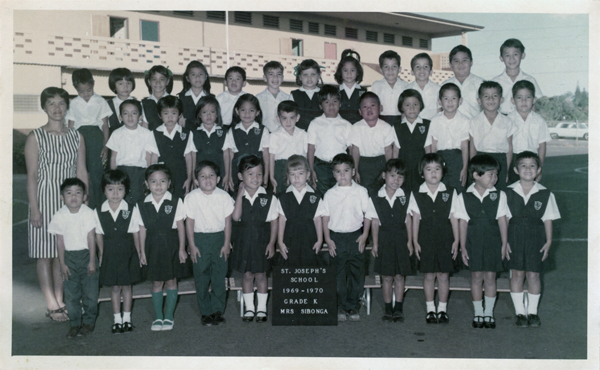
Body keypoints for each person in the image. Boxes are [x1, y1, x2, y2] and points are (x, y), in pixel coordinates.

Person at [25, 87, 88, 322]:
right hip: (44, 200)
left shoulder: (76, 136)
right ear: (44, 107)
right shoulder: (35, 136)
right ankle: (51, 303)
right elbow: (31, 175)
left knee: (64, 253)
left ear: (67, 106)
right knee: (45, 253)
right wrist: (34, 208)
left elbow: (81, 170)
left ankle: (61, 299)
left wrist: (84, 199)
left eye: (61, 103)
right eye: (51, 103)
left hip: (70, 202)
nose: (57, 108)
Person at [505, 151, 560, 327]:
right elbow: (504, 219)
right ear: (515, 169)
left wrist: (549, 241)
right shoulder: (507, 192)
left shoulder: (545, 194)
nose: (528, 169)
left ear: (538, 170)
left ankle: (532, 312)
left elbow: (548, 219)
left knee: (534, 275)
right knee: (517, 274)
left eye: (532, 166)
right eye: (523, 165)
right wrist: (504, 242)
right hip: (514, 237)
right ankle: (520, 312)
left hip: (536, 238)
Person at [455, 154, 509, 329]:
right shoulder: (464, 196)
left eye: (496, 174)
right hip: (473, 240)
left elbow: (502, 220)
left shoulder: (500, 195)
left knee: (491, 277)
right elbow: (462, 222)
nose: (495, 178)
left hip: (493, 239)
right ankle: (478, 312)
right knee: (476, 277)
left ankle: (489, 313)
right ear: (476, 175)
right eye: (490, 174)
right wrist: (462, 246)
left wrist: (504, 243)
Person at [133, 164, 188, 331]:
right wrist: (141, 252)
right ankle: (158, 316)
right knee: (156, 282)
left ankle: (169, 315)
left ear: (169, 182)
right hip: (152, 246)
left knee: (171, 280)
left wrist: (181, 249)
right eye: (154, 181)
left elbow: (180, 227)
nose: (158, 185)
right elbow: (141, 230)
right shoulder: (141, 204)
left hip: (171, 245)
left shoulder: (176, 201)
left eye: (163, 181)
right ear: (146, 184)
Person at [408, 153, 459, 324]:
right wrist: (415, 241)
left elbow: (454, 218)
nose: (434, 173)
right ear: (422, 173)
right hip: (425, 238)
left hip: (446, 237)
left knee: (444, 275)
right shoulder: (416, 193)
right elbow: (415, 219)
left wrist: (457, 240)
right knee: (429, 275)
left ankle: (442, 309)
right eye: (429, 169)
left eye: (437, 169)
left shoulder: (451, 192)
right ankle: (430, 309)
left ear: (443, 171)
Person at [184, 161, 234, 327]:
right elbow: (189, 222)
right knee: (201, 276)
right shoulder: (191, 197)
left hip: (219, 238)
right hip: (200, 239)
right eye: (203, 176)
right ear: (196, 181)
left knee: (219, 275)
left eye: (211, 175)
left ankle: (218, 310)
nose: (207, 179)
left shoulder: (224, 196)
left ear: (218, 178)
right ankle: (205, 312)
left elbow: (228, 222)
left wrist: (227, 243)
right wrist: (191, 245)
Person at [48, 178, 98, 338]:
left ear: (84, 196)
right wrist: (62, 263)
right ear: (62, 197)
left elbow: (91, 238)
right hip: (69, 258)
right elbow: (60, 241)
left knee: (90, 293)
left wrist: (92, 260)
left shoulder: (89, 213)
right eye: (69, 193)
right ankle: (75, 324)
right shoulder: (59, 215)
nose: (74, 196)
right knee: (71, 294)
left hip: (86, 255)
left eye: (78, 192)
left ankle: (89, 322)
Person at [322, 154, 370, 322]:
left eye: (346, 171)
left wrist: (365, 235)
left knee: (357, 273)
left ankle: (353, 305)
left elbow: (368, 215)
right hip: (336, 238)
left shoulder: (361, 191)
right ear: (333, 174)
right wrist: (327, 238)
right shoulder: (329, 194)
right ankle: (341, 306)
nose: (342, 175)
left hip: (356, 237)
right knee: (338, 274)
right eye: (338, 171)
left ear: (353, 171)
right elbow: (325, 217)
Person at [232, 155, 279, 322]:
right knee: (247, 275)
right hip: (244, 240)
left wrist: (272, 243)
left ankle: (261, 308)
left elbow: (274, 221)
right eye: (250, 174)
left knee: (261, 274)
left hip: (262, 240)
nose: (255, 178)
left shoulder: (269, 196)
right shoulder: (238, 196)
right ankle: (250, 308)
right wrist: (239, 195)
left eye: (259, 174)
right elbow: (236, 217)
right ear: (240, 177)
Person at [94, 170, 142, 334]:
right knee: (115, 288)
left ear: (126, 190)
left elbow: (135, 232)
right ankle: (117, 320)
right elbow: (98, 234)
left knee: (127, 287)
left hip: (127, 253)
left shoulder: (131, 209)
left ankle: (127, 319)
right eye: (110, 189)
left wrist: (139, 253)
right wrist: (101, 253)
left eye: (120, 189)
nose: (115, 193)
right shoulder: (98, 211)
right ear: (104, 190)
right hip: (110, 254)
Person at [365, 159, 413, 322]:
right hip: (385, 238)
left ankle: (398, 308)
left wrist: (410, 242)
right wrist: (375, 243)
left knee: (399, 276)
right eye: (392, 175)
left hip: (401, 237)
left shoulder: (405, 196)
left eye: (400, 176)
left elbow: (409, 220)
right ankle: (387, 309)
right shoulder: (376, 197)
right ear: (384, 176)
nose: (396, 180)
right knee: (386, 276)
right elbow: (375, 221)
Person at [66, 68, 112, 209]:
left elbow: (105, 125)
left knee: (97, 173)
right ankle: (81, 204)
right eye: (81, 91)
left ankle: (99, 206)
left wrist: (105, 145)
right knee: (80, 171)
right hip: (79, 137)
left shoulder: (100, 101)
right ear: (75, 89)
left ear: (93, 84)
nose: (86, 94)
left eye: (89, 90)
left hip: (95, 138)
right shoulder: (73, 103)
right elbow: (71, 125)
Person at [277, 155, 325, 267]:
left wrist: (320, 240)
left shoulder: (315, 196)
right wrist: (280, 241)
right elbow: (282, 220)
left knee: (310, 267)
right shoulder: (283, 197)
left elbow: (318, 219)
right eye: (293, 174)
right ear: (288, 176)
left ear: (308, 174)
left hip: (310, 238)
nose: (297, 178)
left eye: (300, 173)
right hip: (290, 238)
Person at [469, 81, 518, 190]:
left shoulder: (507, 121)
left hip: (500, 161)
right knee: (480, 191)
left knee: (499, 192)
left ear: (501, 100)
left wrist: (506, 170)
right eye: (486, 96)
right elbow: (472, 148)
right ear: (479, 101)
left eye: (495, 96)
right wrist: (474, 168)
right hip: (481, 161)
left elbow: (509, 148)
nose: (491, 99)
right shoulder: (474, 122)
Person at [306, 85, 352, 195]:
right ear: (320, 106)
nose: (331, 105)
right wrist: (311, 170)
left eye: (335, 101)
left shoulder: (346, 125)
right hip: (320, 167)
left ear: (340, 104)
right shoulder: (315, 123)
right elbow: (311, 149)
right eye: (326, 102)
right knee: (322, 195)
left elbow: (351, 149)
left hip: (340, 167)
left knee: (340, 193)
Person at [146, 95, 194, 199]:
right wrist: (152, 178)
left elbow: (189, 157)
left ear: (180, 114)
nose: (170, 117)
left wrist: (189, 178)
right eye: (166, 113)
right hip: (162, 176)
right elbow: (153, 158)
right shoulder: (155, 133)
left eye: (174, 113)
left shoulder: (186, 133)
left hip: (180, 174)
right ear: (160, 115)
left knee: (180, 201)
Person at [106, 99, 153, 204]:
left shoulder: (147, 133)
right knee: (123, 199)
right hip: (122, 171)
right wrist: (114, 176)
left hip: (141, 172)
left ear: (140, 117)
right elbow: (113, 157)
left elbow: (148, 156)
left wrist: (149, 175)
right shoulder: (116, 133)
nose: (130, 117)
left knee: (140, 198)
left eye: (134, 113)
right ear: (120, 117)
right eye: (126, 114)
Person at [425, 83, 470, 193]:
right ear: (440, 102)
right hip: (440, 158)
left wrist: (465, 168)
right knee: (441, 189)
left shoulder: (465, 120)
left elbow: (465, 146)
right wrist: (433, 166)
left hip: (457, 159)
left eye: (454, 98)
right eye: (446, 98)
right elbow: (433, 145)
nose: (450, 102)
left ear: (460, 101)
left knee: (458, 188)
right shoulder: (435, 120)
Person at [507, 80, 552, 184]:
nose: (524, 101)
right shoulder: (508, 120)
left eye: (528, 97)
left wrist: (539, 167)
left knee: (530, 190)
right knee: (512, 191)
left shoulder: (539, 120)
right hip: (513, 159)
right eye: (519, 97)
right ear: (512, 100)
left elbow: (542, 145)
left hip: (532, 160)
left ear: (534, 100)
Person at [223, 94, 270, 191]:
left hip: (256, 173)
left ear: (257, 112)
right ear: (237, 111)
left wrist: (266, 175)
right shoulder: (232, 130)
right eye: (243, 110)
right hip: (238, 173)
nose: (247, 113)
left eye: (251, 110)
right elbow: (230, 155)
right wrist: (229, 175)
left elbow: (266, 154)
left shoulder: (262, 130)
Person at [350, 92, 395, 191]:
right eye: (365, 107)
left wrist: (389, 170)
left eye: (373, 105)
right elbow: (355, 150)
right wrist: (356, 169)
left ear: (380, 108)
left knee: (381, 190)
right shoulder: (356, 127)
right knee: (364, 190)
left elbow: (388, 150)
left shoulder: (386, 127)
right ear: (360, 111)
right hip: (363, 164)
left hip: (381, 162)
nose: (369, 109)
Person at [392, 89, 432, 194]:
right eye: (407, 105)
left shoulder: (427, 125)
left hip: (420, 167)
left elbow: (428, 150)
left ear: (421, 105)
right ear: (401, 107)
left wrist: (429, 168)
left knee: (421, 192)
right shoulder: (397, 126)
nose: (412, 108)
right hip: (403, 167)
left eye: (415, 104)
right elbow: (395, 151)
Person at [492, 39, 543, 115]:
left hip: (524, 120)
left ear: (523, 55)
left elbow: (534, 106)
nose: (511, 58)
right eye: (507, 55)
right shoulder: (495, 82)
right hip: (502, 121)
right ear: (501, 58)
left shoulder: (530, 80)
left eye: (515, 54)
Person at [269, 101, 307, 195]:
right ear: (278, 118)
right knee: (282, 195)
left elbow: (306, 155)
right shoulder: (274, 135)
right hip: (281, 168)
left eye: (292, 117)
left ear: (297, 118)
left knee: (299, 193)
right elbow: (271, 157)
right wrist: (272, 176)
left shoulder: (303, 134)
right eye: (284, 118)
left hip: (299, 167)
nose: (288, 121)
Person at [189, 96, 228, 189]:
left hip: (219, 174)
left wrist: (227, 175)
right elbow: (193, 156)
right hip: (201, 175)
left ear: (217, 114)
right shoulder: (194, 133)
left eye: (212, 112)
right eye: (204, 112)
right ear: (199, 114)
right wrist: (193, 177)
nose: (209, 115)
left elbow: (227, 155)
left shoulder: (223, 132)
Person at [441, 45, 484, 119]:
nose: (460, 64)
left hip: (474, 127)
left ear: (471, 62)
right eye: (456, 61)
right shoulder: (445, 85)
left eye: (464, 60)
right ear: (450, 65)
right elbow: (440, 109)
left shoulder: (480, 83)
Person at [371, 50, 408, 126]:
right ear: (381, 70)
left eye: (394, 66)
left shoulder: (405, 86)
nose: (390, 70)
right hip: (381, 121)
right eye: (386, 67)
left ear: (399, 69)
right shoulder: (376, 85)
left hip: (401, 121)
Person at [256, 61, 291, 133]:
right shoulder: (258, 98)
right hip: (265, 136)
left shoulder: (288, 98)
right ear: (265, 78)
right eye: (271, 74)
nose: (275, 77)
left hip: (283, 136)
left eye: (279, 74)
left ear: (282, 78)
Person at [334, 49, 367, 124]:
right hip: (340, 129)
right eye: (345, 70)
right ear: (340, 72)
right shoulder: (336, 92)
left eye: (352, 70)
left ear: (358, 72)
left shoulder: (363, 91)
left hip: (359, 129)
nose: (349, 73)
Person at [290, 59, 323, 131]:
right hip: (300, 134)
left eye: (313, 74)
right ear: (300, 77)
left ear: (318, 76)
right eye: (305, 75)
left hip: (320, 133)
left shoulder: (324, 93)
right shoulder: (294, 95)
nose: (309, 78)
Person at [178, 61, 212, 130]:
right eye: (193, 74)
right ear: (187, 78)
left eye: (200, 74)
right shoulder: (180, 98)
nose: (197, 77)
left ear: (205, 77)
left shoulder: (211, 98)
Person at [406, 53, 441, 120]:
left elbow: (439, 112)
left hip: (432, 126)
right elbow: (404, 113)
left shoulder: (438, 89)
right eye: (418, 67)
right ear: (412, 72)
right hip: (413, 126)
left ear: (431, 71)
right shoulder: (407, 89)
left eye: (426, 67)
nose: (422, 69)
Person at [141, 65, 175, 130]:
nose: (158, 82)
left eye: (161, 79)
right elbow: (145, 126)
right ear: (149, 82)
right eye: (154, 79)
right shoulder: (144, 103)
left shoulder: (174, 100)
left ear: (167, 81)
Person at [107, 67, 136, 136]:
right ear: (114, 85)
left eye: (128, 83)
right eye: (120, 84)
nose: (125, 87)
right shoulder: (107, 105)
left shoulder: (139, 104)